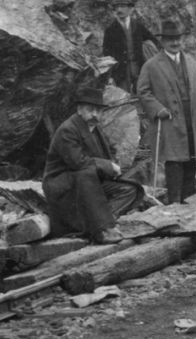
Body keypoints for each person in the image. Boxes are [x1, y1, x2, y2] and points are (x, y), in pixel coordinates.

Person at [43, 86, 143, 244]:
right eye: (90, 110)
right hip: (62, 184)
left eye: (98, 111)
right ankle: (101, 228)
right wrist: (108, 166)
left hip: (86, 182)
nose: (95, 115)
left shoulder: (95, 129)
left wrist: (113, 167)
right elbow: (77, 162)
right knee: (85, 174)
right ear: (79, 109)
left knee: (129, 190)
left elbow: (107, 154)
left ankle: (101, 223)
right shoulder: (68, 130)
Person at [136, 20, 196, 205]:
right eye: (170, 39)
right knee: (174, 161)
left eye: (177, 39)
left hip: (191, 118)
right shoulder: (152, 65)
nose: (175, 43)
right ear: (162, 41)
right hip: (169, 119)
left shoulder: (192, 62)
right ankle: (174, 203)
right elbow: (143, 91)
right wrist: (157, 109)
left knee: (191, 159)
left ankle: (188, 202)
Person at [101, 0, 155, 92]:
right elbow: (106, 54)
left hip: (139, 68)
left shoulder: (138, 26)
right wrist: (110, 76)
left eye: (122, 6)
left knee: (142, 94)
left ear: (130, 9)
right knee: (124, 99)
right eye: (117, 7)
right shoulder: (110, 30)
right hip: (121, 72)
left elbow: (153, 40)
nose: (119, 10)